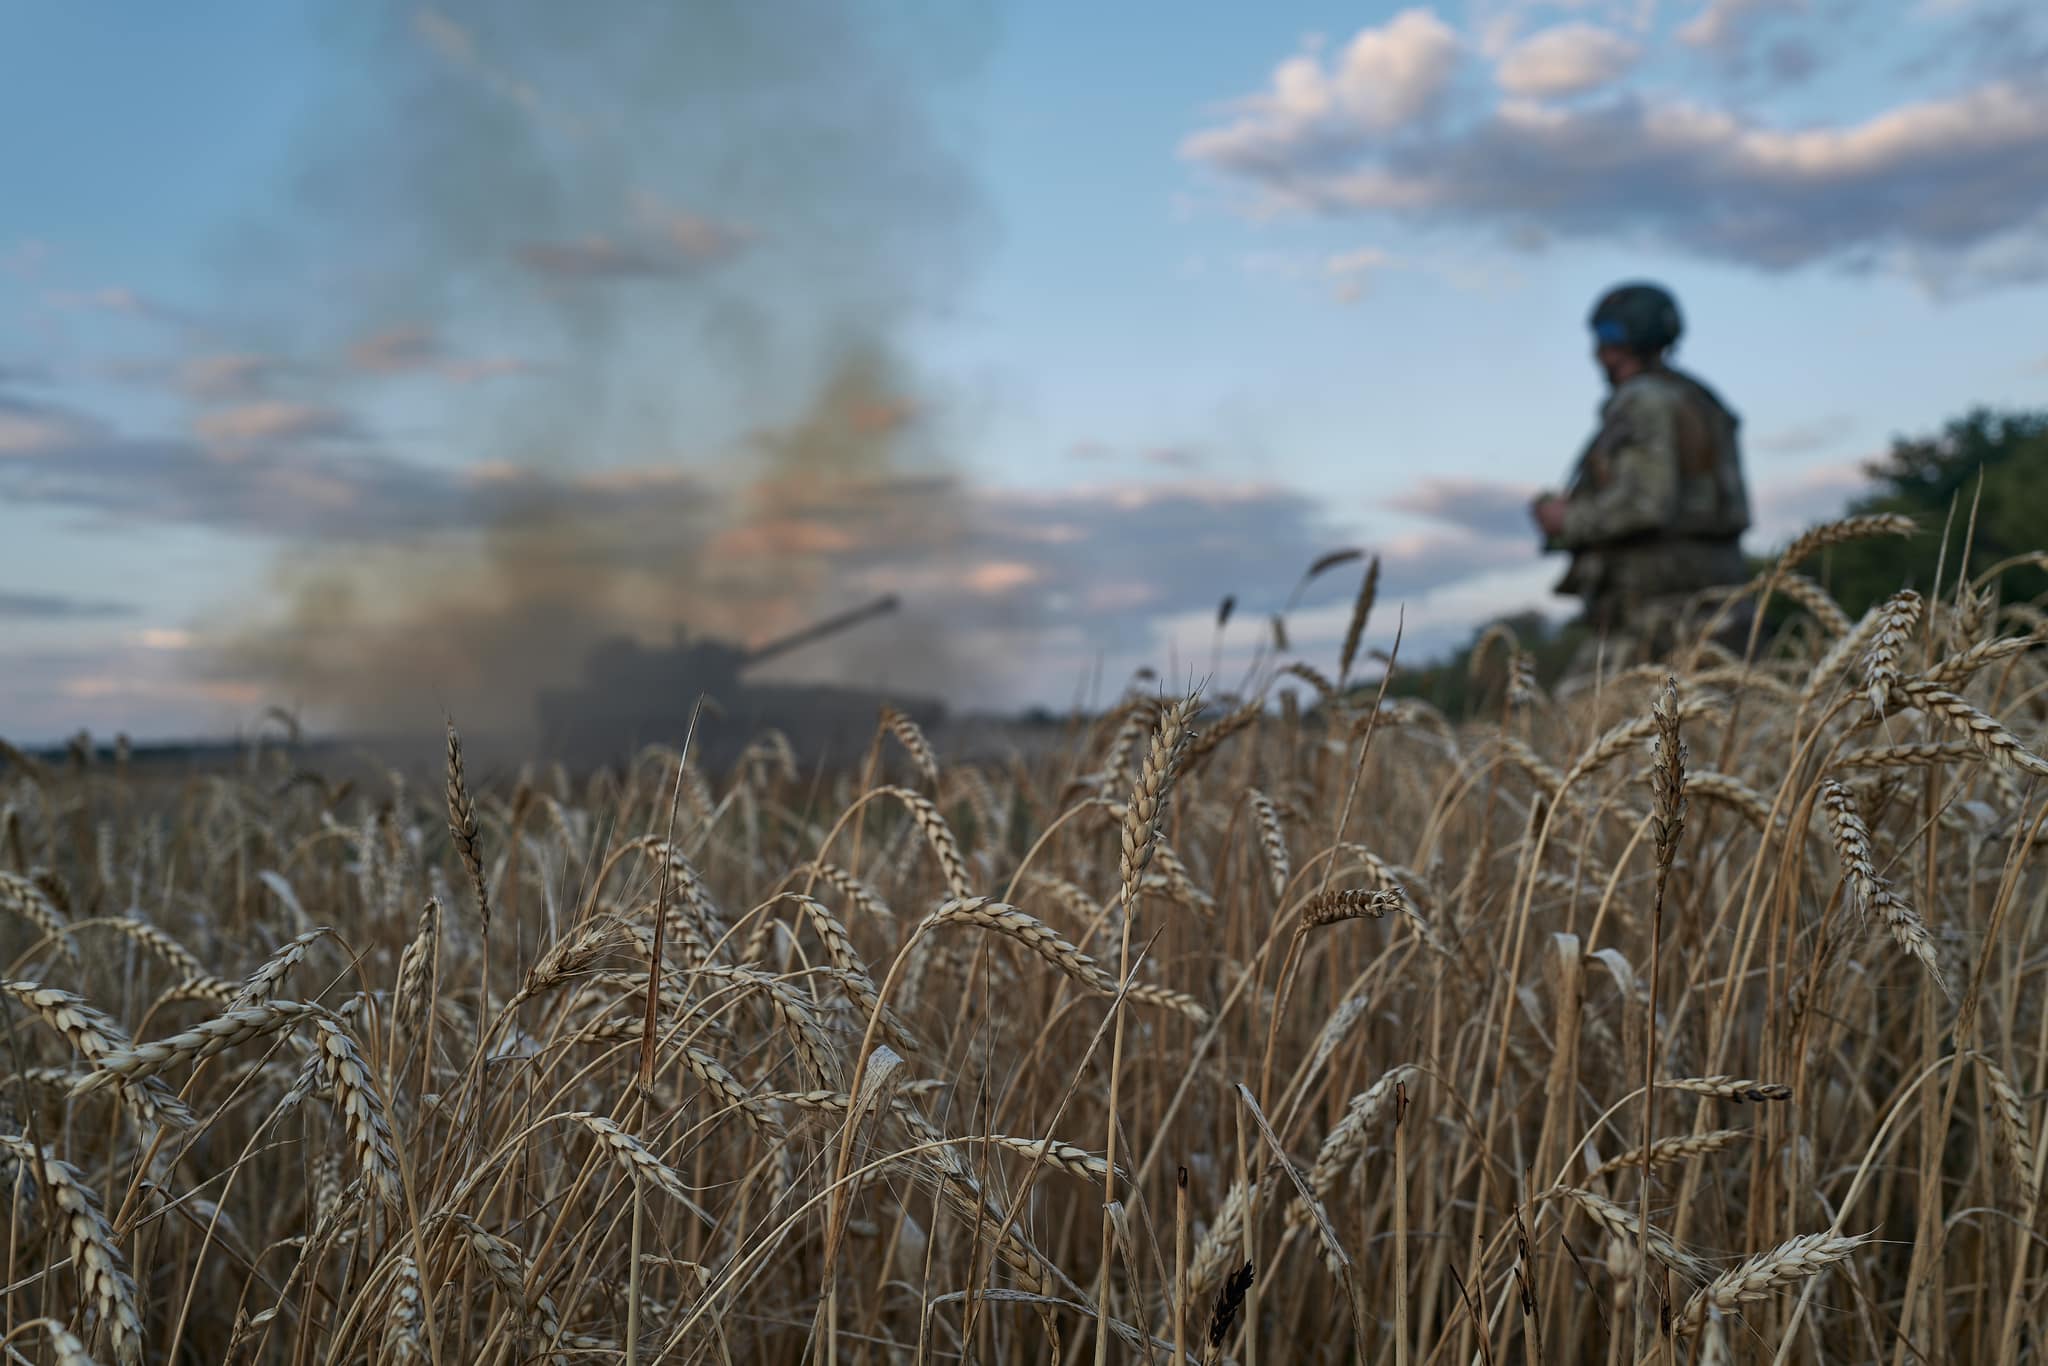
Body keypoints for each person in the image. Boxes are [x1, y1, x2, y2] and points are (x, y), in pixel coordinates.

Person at [1530, 282, 1753, 664]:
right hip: (1718, 593)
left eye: (1603, 338)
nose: (1596, 352)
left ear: (1620, 341)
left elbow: (1647, 505)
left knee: (1587, 717)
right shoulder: (1698, 398)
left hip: (1658, 609)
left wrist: (1566, 518)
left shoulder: (1643, 400)